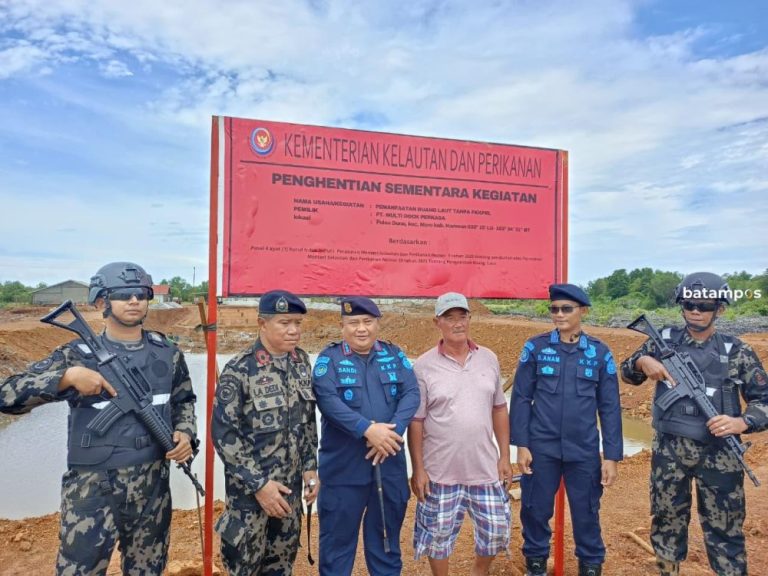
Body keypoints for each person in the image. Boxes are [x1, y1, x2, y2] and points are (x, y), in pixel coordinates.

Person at [0, 261, 198, 575]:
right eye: (123, 294)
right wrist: (66, 378)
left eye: (141, 293)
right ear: (101, 302)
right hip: (92, 491)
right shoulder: (75, 354)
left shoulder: (167, 352)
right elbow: (7, 395)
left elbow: (184, 401)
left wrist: (185, 434)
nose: (135, 300)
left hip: (153, 491)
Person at [620, 272, 768, 576]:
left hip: (721, 456)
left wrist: (741, 422)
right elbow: (627, 373)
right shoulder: (663, 341)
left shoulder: (736, 351)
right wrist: (642, 363)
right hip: (669, 454)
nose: (696, 311)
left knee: (726, 529)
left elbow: (764, 400)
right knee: (665, 522)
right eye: (689, 304)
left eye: (704, 305)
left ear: (720, 308)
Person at [510, 283, 622, 576]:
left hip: (583, 450)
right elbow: (521, 397)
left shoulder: (599, 353)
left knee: (586, 513)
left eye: (566, 309)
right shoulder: (536, 348)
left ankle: (590, 566)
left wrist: (611, 456)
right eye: (554, 309)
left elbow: (609, 408)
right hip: (540, 448)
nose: (558, 314)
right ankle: (535, 566)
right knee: (535, 510)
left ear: (582, 311)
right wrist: (521, 444)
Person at [211, 289, 319, 575]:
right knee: (245, 567)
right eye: (284, 323)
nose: (293, 330)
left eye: (297, 323)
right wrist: (259, 485)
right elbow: (224, 436)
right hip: (250, 498)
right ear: (262, 323)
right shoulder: (239, 370)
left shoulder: (300, 363)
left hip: (290, 493)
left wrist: (310, 466)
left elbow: (307, 420)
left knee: (281, 567)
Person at [312, 296, 420, 576]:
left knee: (386, 545)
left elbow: (411, 393)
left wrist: (390, 433)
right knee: (336, 549)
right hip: (343, 472)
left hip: (389, 467)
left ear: (377, 324)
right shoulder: (329, 359)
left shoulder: (394, 355)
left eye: (367, 322)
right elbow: (327, 401)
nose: (361, 329)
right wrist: (368, 430)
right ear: (342, 326)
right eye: (354, 323)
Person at [409, 292, 512, 576]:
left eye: (462, 316)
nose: (457, 324)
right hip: (440, 470)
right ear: (437, 322)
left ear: (469, 318)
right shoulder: (423, 365)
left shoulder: (488, 358)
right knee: (437, 537)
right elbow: (416, 422)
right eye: (449, 318)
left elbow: (500, 410)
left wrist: (505, 456)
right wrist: (418, 469)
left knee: (495, 530)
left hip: (484, 466)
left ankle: (479, 572)